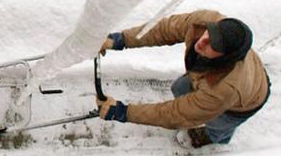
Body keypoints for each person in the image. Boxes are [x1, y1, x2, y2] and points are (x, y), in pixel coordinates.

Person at [95, 10, 271, 148]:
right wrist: (120, 40)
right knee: (180, 88)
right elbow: (164, 29)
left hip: (244, 103)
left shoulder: (224, 89)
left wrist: (122, 112)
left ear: (225, 57)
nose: (202, 42)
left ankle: (214, 138)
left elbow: (176, 114)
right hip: (216, 79)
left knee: (218, 125)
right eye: (210, 34)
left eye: (214, 45)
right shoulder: (206, 21)